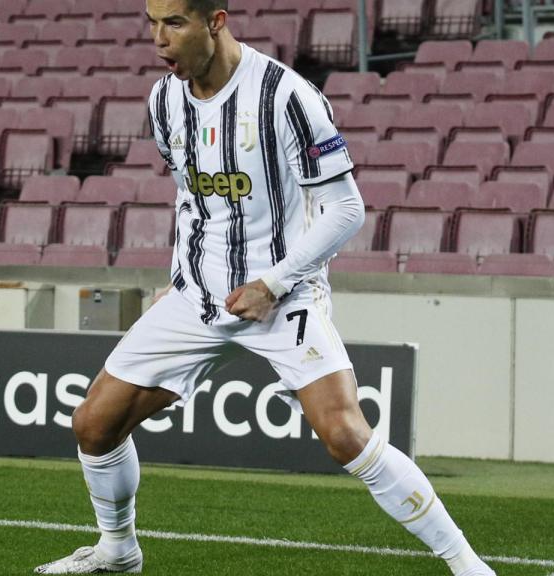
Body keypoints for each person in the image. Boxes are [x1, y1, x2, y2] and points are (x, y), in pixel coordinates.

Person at [34, 1, 496, 573]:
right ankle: (118, 551)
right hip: (196, 298)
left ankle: (469, 566)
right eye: (152, 23)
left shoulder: (286, 95)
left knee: (345, 434)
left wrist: (273, 283)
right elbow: (195, 201)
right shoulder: (164, 100)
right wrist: (179, 279)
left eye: (174, 23)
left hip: (283, 296)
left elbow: (346, 208)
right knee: (94, 426)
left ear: (216, 21)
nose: (159, 39)